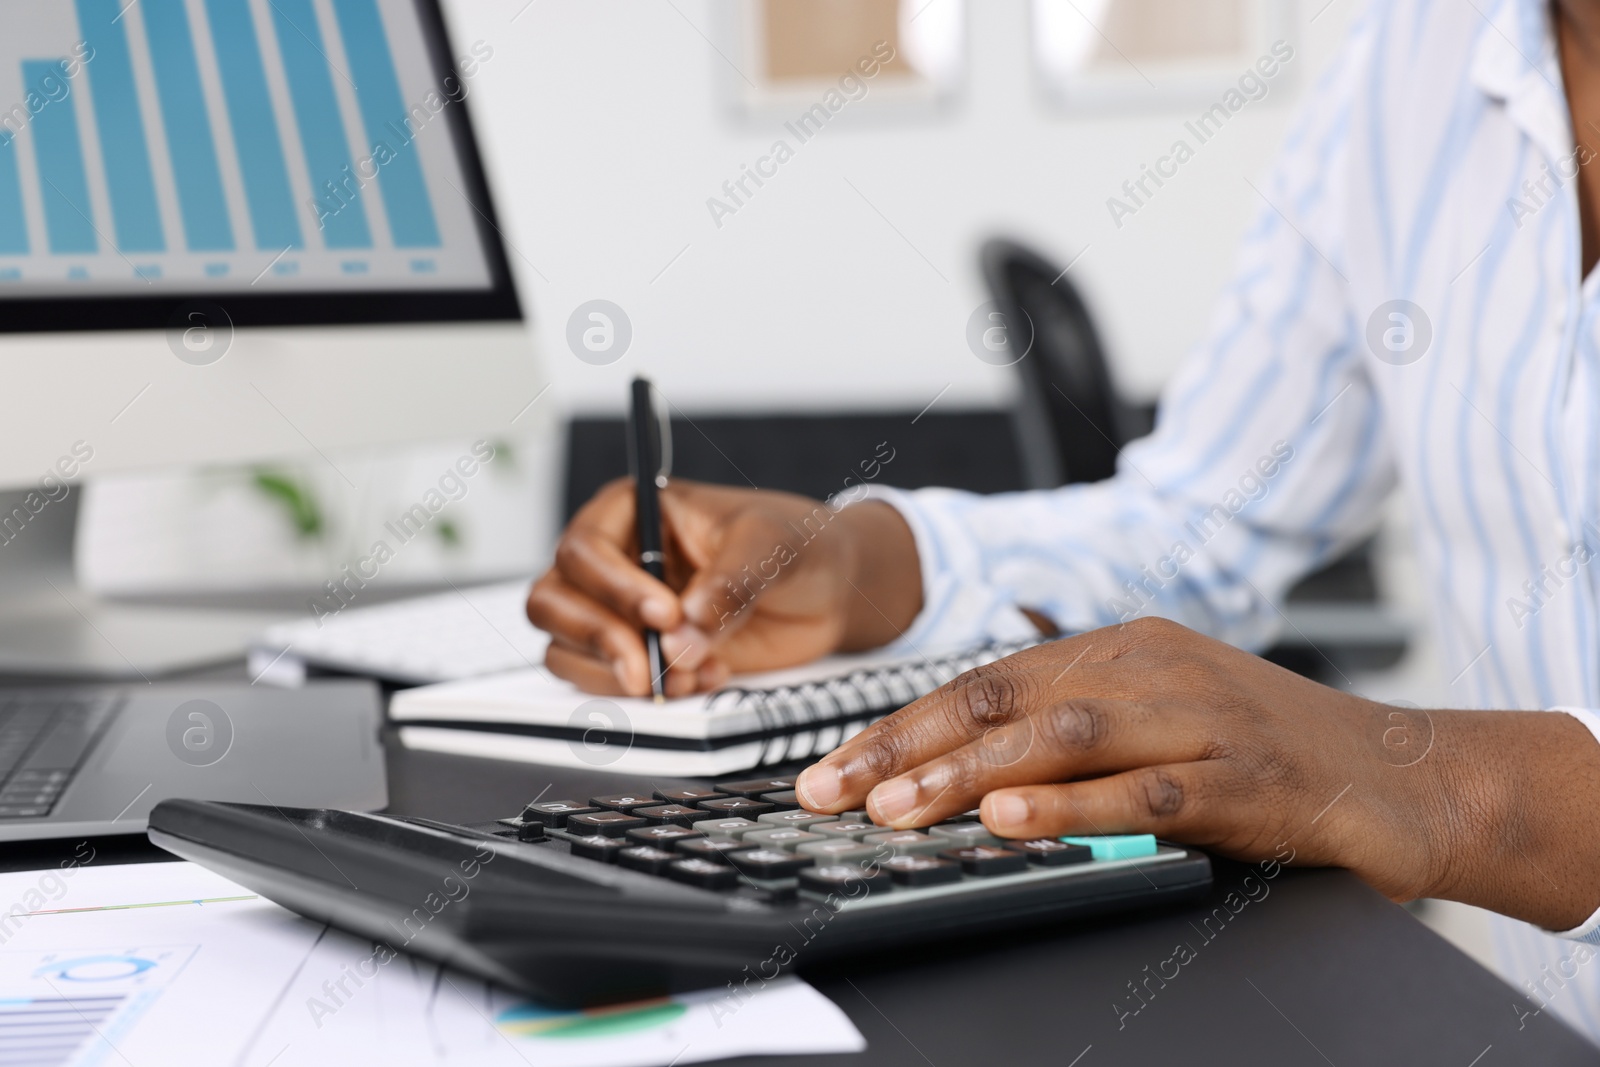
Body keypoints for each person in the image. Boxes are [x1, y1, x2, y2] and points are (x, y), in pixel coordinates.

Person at [529, 0, 1600, 1043]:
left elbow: (1448, 786)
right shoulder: (1413, 51)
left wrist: (1442, 783)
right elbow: (1198, 516)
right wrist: (863, 563)